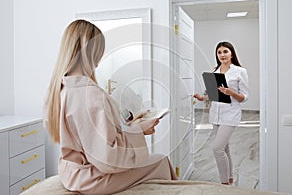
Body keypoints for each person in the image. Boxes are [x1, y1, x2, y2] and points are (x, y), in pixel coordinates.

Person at [43, 19, 177, 195]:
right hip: (91, 178)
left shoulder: (58, 89)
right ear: (93, 51)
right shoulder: (90, 94)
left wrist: (131, 125)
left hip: (70, 173)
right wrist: (138, 130)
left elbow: (88, 139)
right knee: (161, 161)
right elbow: (107, 159)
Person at [194, 41, 249, 185]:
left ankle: (224, 183)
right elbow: (214, 95)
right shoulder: (215, 72)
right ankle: (230, 178)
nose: (222, 55)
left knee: (217, 148)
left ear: (231, 53)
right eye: (219, 52)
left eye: (225, 51)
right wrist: (203, 97)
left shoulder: (239, 71)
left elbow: (244, 97)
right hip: (216, 114)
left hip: (230, 114)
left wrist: (230, 92)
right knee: (225, 148)